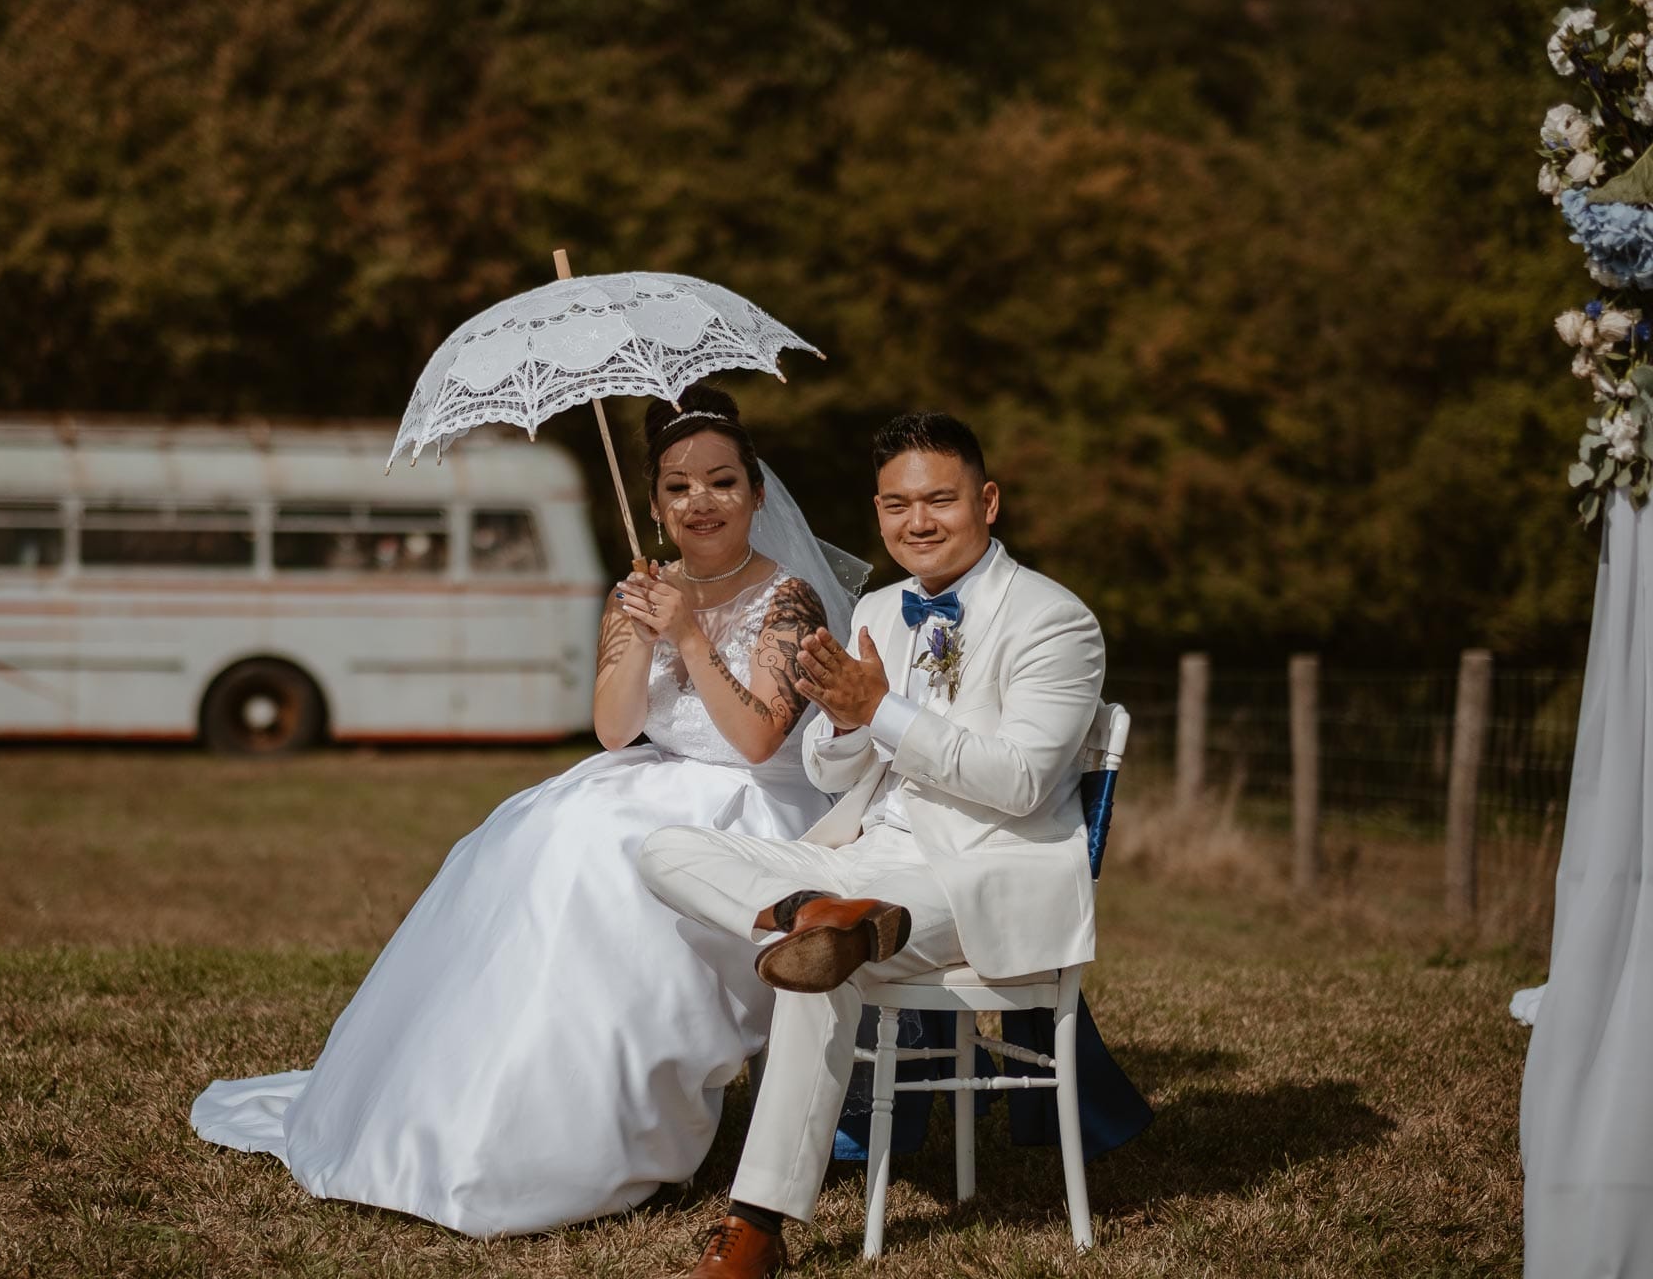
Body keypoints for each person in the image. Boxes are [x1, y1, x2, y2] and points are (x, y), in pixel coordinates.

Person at [189, 384, 867, 1238]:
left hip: (756, 800)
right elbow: (615, 731)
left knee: (597, 858)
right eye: (679, 486)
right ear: (655, 503)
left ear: (757, 494)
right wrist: (644, 633)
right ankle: (481, 1103)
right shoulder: (638, 596)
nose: (702, 502)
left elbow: (759, 740)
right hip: (650, 774)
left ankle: (599, 1130)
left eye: (723, 482)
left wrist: (693, 639)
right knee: (537, 835)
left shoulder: (789, 597)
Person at [638, 411, 1106, 1277]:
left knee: (825, 962)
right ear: (878, 511)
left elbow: (1021, 784)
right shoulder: (881, 607)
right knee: (663, 849)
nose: (916, 522)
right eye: (896, 505)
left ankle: (755, 1228)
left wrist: (883, 709)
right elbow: (826, 764)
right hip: (861, 862)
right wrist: (851, 721)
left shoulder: (1055, 621)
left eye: (939, 500)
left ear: (988, 500)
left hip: (976, 871)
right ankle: (813, 914)